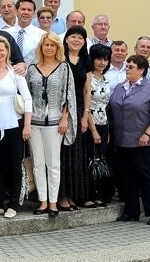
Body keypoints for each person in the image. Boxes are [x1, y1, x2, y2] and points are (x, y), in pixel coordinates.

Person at [26, 32, 77, 217]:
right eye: (46, 45)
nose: (49, 48)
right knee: (38, 164)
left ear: (57, 48)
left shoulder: (64, 68)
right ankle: (43, 202)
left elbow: (69, 95)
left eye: (52, 45)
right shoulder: (32, 68)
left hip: (55, 122)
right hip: (34, 122)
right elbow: (26, 96)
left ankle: (54, 203)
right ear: (41, 47)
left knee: (53, 164)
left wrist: (64, 119)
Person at [0, 36, 32, 219]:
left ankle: (13, 203)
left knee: (14, 165)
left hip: (14, 125)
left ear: (7, 52)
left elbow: (27, 98)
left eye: (2, 50)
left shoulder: (15, 73)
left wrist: (27, 124)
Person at [109, 54, 150, 225]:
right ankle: (131, 212)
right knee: (127, 176)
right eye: (127, 66)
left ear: (142, 70)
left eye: (131, 67)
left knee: (146, 176)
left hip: (143, 141)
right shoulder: (120, 87)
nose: (127, 70)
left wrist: (147, 133)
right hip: (122, 140)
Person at [58, 26, 93, 211]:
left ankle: (73, 194)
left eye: (80, 37)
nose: (76, 40)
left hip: (79, 110)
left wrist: (85, 116)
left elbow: (87, 90)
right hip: (61, 110)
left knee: (77, 154)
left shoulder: (86, 61)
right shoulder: (59, 58)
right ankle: (61, 195)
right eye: (73, 36)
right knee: (63, 153)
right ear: (66, 39)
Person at [87, 44, 113, 205]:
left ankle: (100, 194)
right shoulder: (88, 77)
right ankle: (89, 195)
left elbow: (106, 105)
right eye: (99, 58)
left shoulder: (106, 79)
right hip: (90, 124)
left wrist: (106, 130)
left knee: (101, 160)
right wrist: (94, 130)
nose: (102, 62)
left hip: (104, 124)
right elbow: (87, 106)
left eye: (105, 59)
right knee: (90, 160)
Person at [7, 0, 46, 66]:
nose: (26, 12)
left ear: (33, 13)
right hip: (11, 73)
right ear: (16, 11)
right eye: (23, 9)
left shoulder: (42, 35)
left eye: (29, 10)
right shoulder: (6, 34)